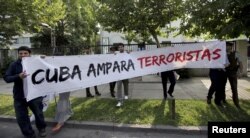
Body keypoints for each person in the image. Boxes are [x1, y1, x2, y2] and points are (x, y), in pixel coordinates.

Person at [3, 46, 47, 138]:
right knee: (21, 117)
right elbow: (7, 78)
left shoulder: (35, 62)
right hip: (19, 96)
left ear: (29, 54)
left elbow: (48, 66)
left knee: (38, 113)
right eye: (20, 53)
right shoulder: (14, 65)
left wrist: (45, 58)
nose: (23, 55)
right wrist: (18, 76)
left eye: (25, 53)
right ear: (18, 54)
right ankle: (29, 134)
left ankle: (42, 128)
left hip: (34, 95)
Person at [225, 42, 243, 108]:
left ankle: (236, 102)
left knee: (234, 88)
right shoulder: (222, 53)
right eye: (226, 46)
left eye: (228, 46)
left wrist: (240, 72)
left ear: (231, 47)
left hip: (232, 72)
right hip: (223, 72)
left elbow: (240, 63)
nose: (227, 47)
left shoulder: (236, 53)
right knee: (221, 87)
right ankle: (223, 100)